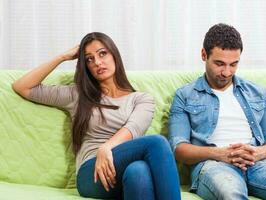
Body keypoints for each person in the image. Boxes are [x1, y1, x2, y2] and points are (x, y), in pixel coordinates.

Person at [13, 32, 181, 200]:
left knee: (138, 171)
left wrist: (106, 147)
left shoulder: (141, 99)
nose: (98, 62)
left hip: (122, 171)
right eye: (89, 59)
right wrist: (62, 57)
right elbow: (23, 87)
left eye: (102, 53)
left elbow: (134, 128)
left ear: (114, 55)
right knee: (157, 142)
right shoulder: (78, 95)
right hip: (91, 173)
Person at [168, 23, 266, 199]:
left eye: (234, 64)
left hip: (256, 163)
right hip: (213, 165)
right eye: (219, 64)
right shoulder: (185, 95)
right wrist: (221, 154)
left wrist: (258, 152)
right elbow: (179, 149)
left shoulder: (258, 93)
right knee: (231, 194)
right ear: (203, 55)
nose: (226, 72)